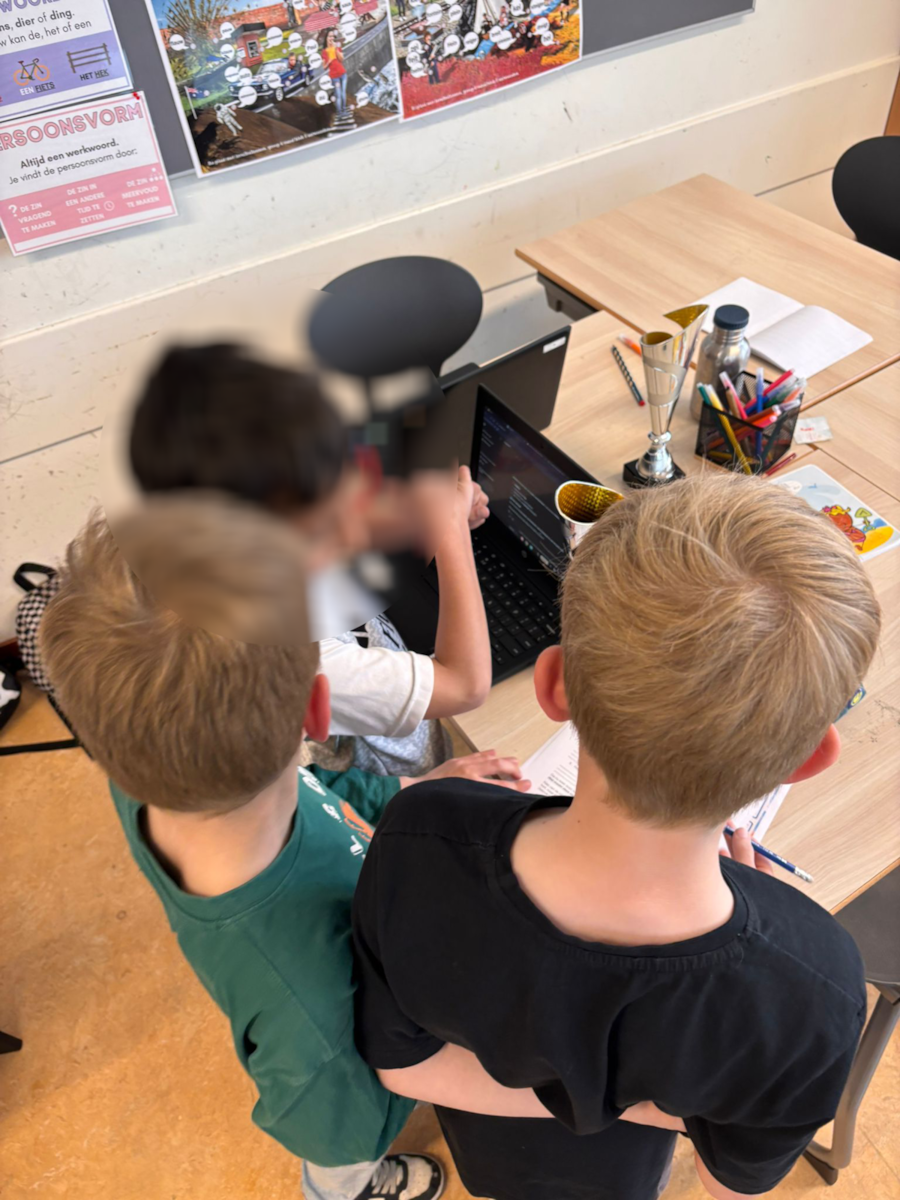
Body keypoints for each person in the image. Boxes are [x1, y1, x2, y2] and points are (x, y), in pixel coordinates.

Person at [352, 471, 881, 1200]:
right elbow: (733, 1181)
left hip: (486, 1146)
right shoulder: (813, 990)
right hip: (622, 1179)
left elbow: (401, 1066)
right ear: (808, 760)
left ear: (553, 685)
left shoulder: (420, 836)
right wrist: (633, 1106)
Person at [39, 510, 532, 1200]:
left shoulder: (169, 780)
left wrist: (421, 788)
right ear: (318, 711)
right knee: (339, 1169)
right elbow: (330, 1121)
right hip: (357, 1102)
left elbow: (316, 786)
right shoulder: (301, 1000)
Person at [128, 344, 493, 779]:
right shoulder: (289, 653)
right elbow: (466, 687)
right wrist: (450, 533)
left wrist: (435, 524)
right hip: (394, 779)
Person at [324, 30, 349, 116]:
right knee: (338, 94)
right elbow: (324, 67)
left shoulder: (337, 47)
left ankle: (344, 110)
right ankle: (339, 112)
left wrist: (336, 50)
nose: (331, 38)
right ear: (326, 38)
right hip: (334, 76)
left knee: (343, 93)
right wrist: (329, 61)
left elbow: (341, 59)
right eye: (329, 36)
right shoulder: (324, 51)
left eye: (332, 36)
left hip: (343, 74)